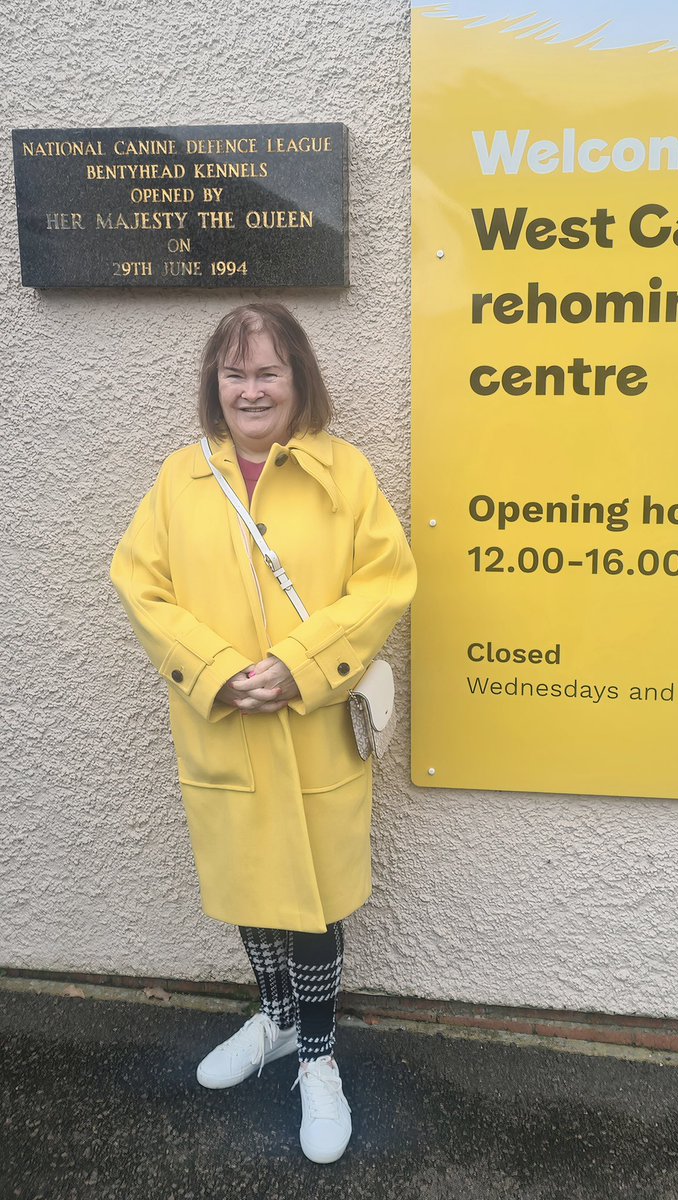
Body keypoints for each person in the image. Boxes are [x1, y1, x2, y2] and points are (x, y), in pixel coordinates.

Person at [111, 301, 417, 1164]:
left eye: (268, 372)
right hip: (224, 733)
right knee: (253, 889)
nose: (251, 389)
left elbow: (384, 584)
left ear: (297, 382)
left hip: (312, 729)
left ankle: (317, 1056)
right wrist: (212, 671)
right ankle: (275, 1022)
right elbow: (141, 585)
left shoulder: (343, 474)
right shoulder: (182, 478)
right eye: (235, 373)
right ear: (217, 383)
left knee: (313, 903)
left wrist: (299, 664)